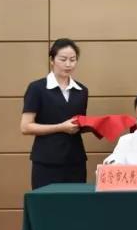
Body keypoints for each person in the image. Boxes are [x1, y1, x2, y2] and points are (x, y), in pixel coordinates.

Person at [21, 38, 88, 190]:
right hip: (46, 161)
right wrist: (61, 127)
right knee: (47, 203)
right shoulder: (37, 88)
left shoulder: (82, 91)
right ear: (52, 60)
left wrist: (94, 126)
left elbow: (78, 124)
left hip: (75, 160)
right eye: (63, 59)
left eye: (73, 60)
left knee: (76, 202)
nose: (68, 64)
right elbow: (25, 127)